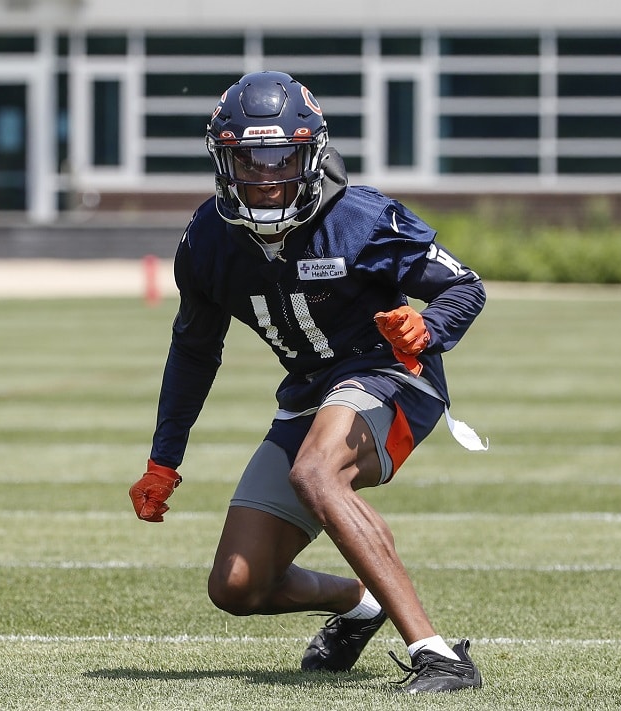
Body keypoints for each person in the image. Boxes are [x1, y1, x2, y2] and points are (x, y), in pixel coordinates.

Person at [129, 71, 487, 694]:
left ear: (312, 154)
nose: (265, 176)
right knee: (238, 586)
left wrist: (425, 329)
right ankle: (361, 604)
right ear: (223, 161)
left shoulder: (362, 218)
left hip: (391, 375)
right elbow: (193, 351)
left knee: (317, 472)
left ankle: (438, 655)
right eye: (248, 159)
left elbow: (465, 287)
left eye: (281, 157)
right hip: (309, 393)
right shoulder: (210, 239)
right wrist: (164, 458)